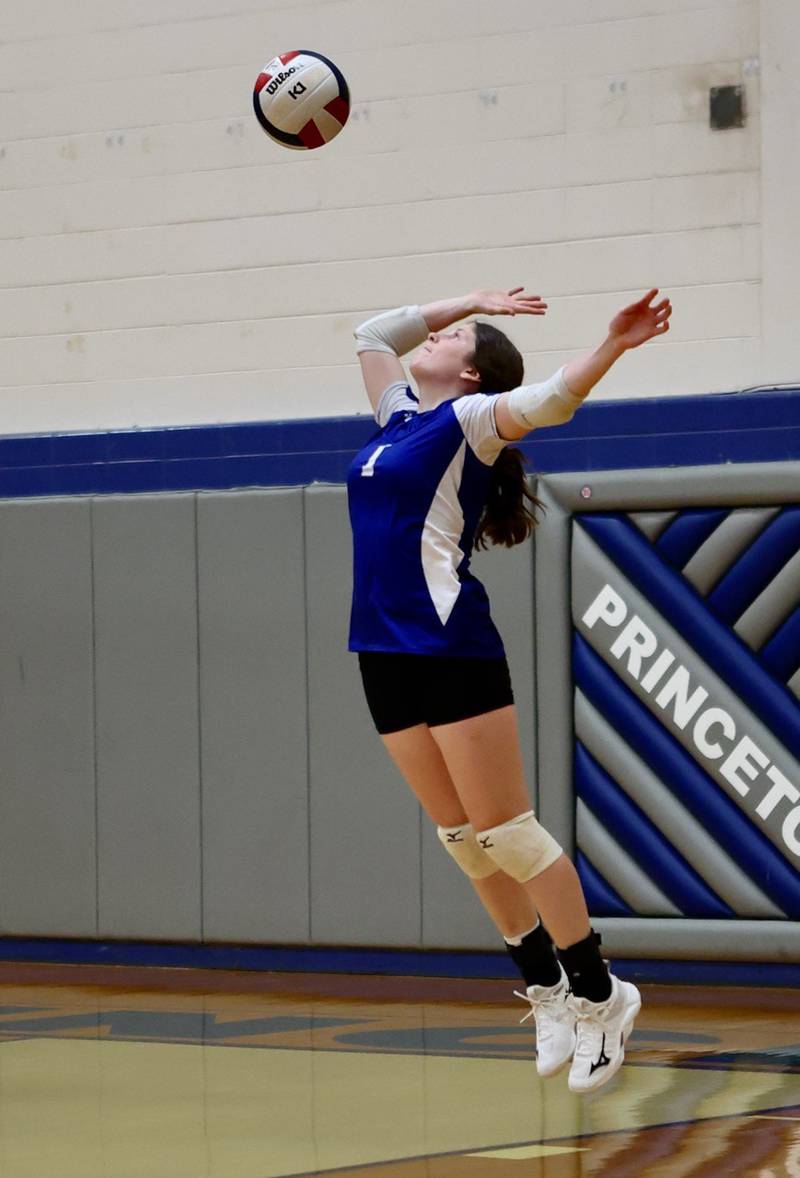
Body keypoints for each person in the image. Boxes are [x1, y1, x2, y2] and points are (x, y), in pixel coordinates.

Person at [347, 286, 672, 1092]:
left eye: (457, 335)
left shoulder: (471, 422)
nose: (437, 335)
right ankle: (547, 989)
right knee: (462, 839)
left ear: (471, 374)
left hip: (450, 644)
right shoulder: (396, 420)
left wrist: (614, 344)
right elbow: (372, 331)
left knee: (511, 835)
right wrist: (474, 298)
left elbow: (558, 398)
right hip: (380, 648)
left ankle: (603, 994)